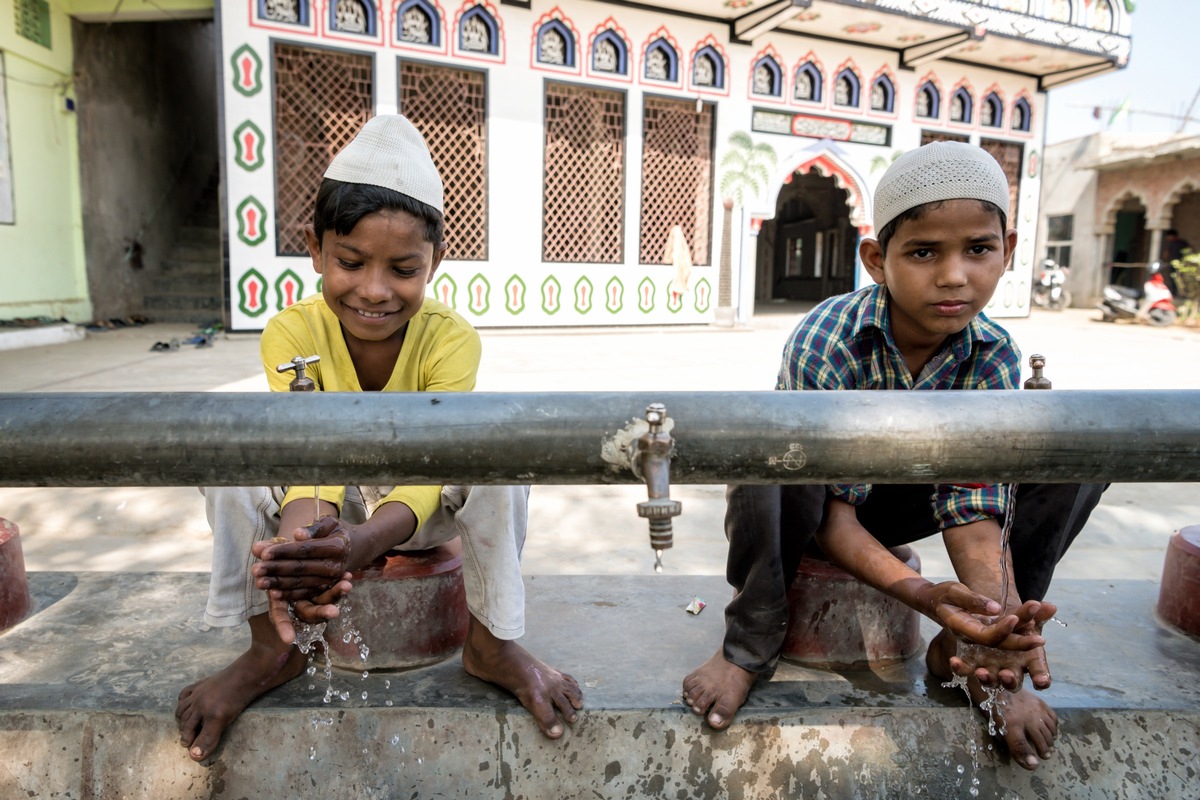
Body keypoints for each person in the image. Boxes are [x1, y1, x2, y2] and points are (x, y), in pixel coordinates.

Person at [681, 141, 1105, 771]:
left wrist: (986, 619)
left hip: (911, 503)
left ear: (1007, 252)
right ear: (878, 260)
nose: (954, 275)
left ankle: (993, 653)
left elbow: (973, 507)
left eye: (979, 249)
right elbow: (833, 516)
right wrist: (924, 594)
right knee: (766, 453)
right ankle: (750, 642)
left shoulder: (992, 353)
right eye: (924, 252)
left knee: (1077, 452)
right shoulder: (830, 337)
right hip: (817, 509)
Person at [176, 115, 582, 762]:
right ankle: (267, 648)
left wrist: (360, 543)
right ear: (314, 249)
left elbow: (436, 467)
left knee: (502, 457)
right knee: (231, 460)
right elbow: (309, 456)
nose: (374, 290)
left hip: (409, 514)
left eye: (402, 269)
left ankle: (491, 642)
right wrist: (306, 543)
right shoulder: (289, 331)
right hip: (325, 500)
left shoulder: (450, 338)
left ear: (435, 263)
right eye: (350, 262)